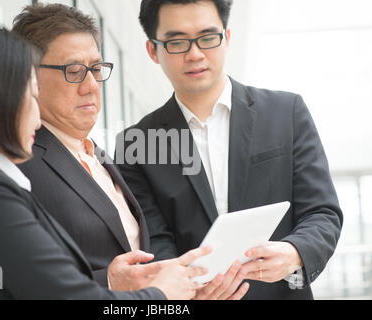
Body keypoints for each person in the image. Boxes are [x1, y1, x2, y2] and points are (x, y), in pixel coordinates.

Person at [0, 17, 209, 300]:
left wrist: (117, 281)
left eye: (96, 69)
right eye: (31, 97)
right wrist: (164, 297)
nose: (36, 120)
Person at [14, 3, 249, 300]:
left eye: (96, 69)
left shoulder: (101, 158)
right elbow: (19, 280)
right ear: (29, 77)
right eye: (74, 71)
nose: (91, 86)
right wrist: (110, 282)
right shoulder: (20, 164)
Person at [115, 0, 343, 299]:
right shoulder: (137, 143)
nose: (195, 54)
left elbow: (322, 212)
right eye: (177, 42)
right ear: (153, 51)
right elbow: (155, 239)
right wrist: (185, 286)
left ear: (227, 38)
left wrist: (294, 252)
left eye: (208, 38)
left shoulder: (286, 113)